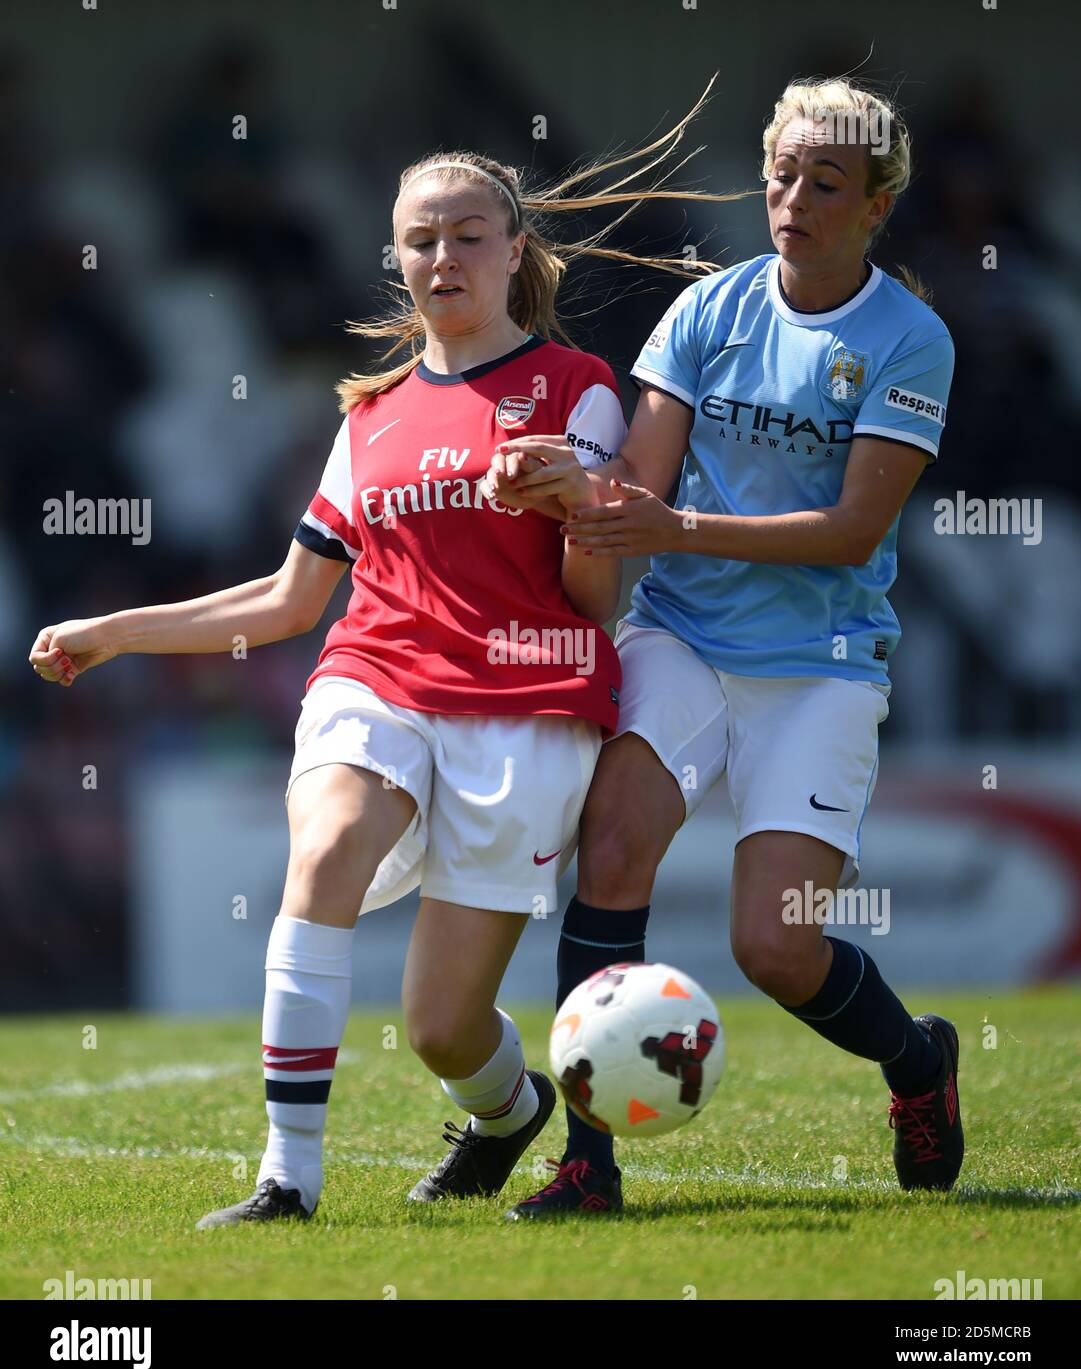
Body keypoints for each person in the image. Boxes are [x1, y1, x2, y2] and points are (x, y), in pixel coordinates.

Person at [28, 88, 741, 1224]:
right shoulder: (369, 414)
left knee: (441, 1027)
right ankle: (285, 1180)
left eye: (468, 236)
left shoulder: (576, 391)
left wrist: (569, 503)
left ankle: (509, 1113)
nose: (444, 257)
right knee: (326, 853)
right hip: (379, 680)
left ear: (515, 251)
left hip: (528, 706)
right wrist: (116, 633)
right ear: (395, 259)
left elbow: (594, 600)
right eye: (422, 239)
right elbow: (287, 599)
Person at [486, 77, 962, 1219]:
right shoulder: (708, 310)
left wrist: (670, 524)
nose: (794, 198)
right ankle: (589, 1165)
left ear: (875, 208)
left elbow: (853, 529)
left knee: (775, 949)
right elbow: (633, 490)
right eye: (783, 174)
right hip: (687, 636)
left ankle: (916, 1062)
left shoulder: (910, 338)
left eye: (826, 184)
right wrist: (557, 479)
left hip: (822, 664)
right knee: (610, 849)